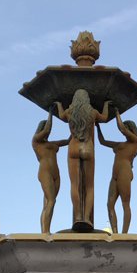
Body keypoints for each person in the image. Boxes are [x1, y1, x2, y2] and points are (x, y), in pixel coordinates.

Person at [55, 90, 111, 231]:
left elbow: (61, 116)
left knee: (75, 184)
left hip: (73, 146)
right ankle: (87, 218)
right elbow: (104, 118)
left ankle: (78, 216)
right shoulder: (92, 112)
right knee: (89, 186)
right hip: (87, 147)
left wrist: (58, 105)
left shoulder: (70, 112)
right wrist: (106, 105)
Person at [97, 109, 137, 233]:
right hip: (114, 175)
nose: (124, 131)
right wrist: (97, 125)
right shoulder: (119, 144)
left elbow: (121, 128)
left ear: (130, 129)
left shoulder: (135, 141)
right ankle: (115, 232)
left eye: (127, 128)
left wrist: (116, 113)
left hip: (124, 172)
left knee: (125, 204)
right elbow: (102, 141)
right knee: (109, 204)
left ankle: (124, 233)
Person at [32, 110, 70, 234]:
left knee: (49, 202)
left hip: (55, 173)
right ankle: (45, 232)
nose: (47, 132)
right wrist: (51, 113)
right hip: (45, 172)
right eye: (45, 127)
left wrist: (74, 125)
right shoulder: (36, 141)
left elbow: (67, 141)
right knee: (51, 201)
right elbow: (47, 130)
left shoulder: (51, 143)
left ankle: (45, 229)